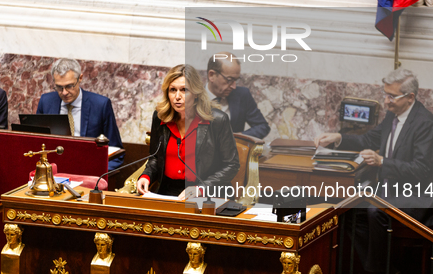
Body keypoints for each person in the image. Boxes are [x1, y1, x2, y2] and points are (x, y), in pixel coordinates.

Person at [315, 68, 433, 274]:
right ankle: (389, 273)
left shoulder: (426, 124)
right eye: (385, 94)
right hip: (391, 191)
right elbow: (369, 139)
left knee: (375, 211)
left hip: (417, 196)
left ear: (410, 98)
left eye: (391, 96)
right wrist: (338, 138)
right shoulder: (393, 117)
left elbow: (422, 171)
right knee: (348, 209)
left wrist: (383, 162)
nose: (386, 101)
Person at [137, 64, 240, 200]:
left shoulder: (217, 120)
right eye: (172, 90)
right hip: (167, 192)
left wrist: (201, 188)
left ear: (196, 93)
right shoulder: (160, 117)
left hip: (206, 194)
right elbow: (155, 157)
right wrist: (146, 176)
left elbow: (231, 164)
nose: (177, 96)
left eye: (184, 90)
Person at [36, 58, 124, 170]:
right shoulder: (46, 102)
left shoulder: (100, 105)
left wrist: (97, 174)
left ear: (80, 78)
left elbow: (116, 151)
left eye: (69, 86)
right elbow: (37, 143)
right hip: (53, 170)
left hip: (88, 170)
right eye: (59, 87)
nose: (64, 92)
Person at [206, 54, 270, 139]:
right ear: (211, 75)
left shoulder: (242, 95)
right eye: (229, 80)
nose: (234, 86)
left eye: (236, 80)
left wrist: (238, 137)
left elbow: (262, 126)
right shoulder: (193, 98)